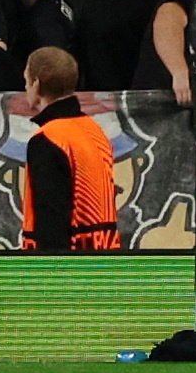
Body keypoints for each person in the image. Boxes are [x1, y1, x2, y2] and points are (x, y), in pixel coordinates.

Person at [17, 47, 121, 251]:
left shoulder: (48, 138)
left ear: (36, 84)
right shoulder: (94, 130)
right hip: (103, 260)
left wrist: (50, 272)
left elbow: (50, 214)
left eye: (26, 81)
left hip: (66, 268)